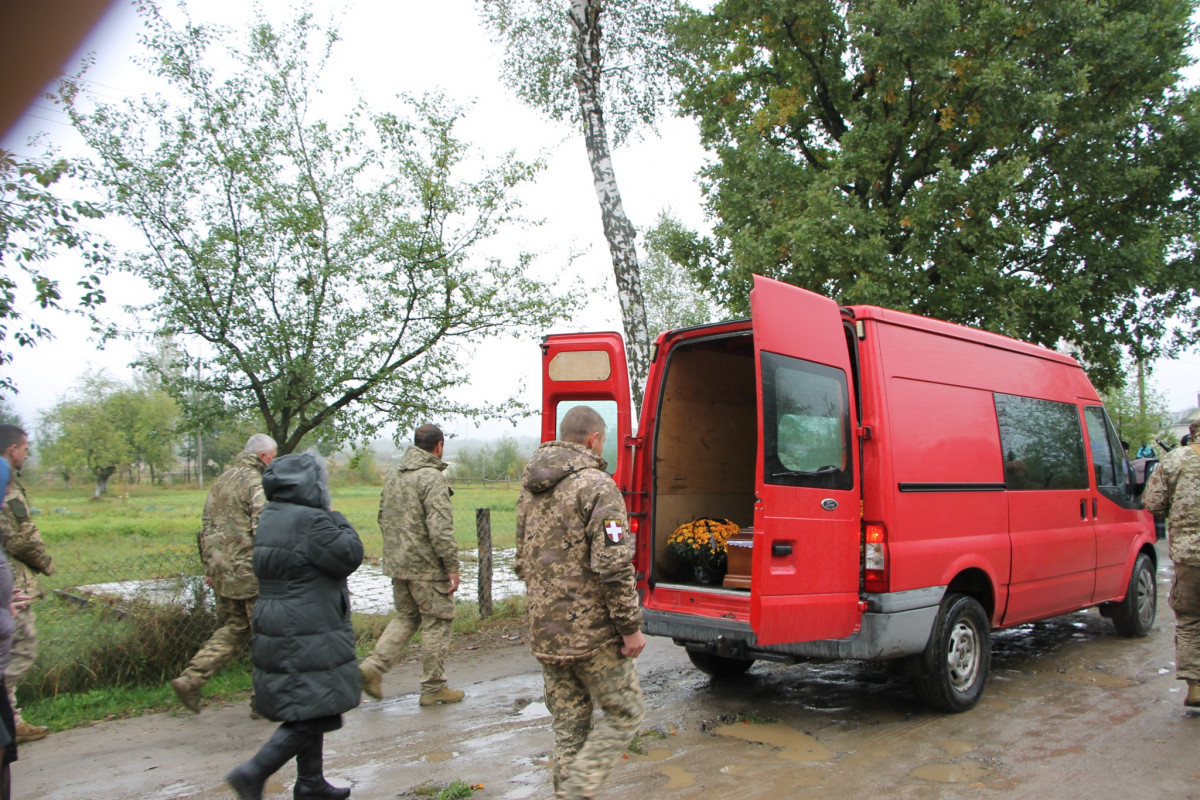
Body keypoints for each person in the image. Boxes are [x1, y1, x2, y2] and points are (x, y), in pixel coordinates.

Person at [515, 405, 646, 800]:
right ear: (594, 439)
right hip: (592, 637)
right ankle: (578, 789)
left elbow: (522, 561)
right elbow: (614, 565)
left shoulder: (530, 488)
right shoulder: (598, 486)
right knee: (626, 713)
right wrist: (630, 628)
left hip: (547, 632)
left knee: (569, 726)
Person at [226, 452, 363, 800]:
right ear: (312, 485)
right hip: (307, 624)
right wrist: (339, 519)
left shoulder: (272, 515)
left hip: (279, 620)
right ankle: (253, 772)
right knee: (314, 713)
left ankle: (310, 782)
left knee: (310, 702)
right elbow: (349, 555)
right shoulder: (313, 522)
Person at [359, 424, 464, 706]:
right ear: (439, 446)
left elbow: (382, 516)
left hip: (398, 562)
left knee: (406, 616)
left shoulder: (394, 475)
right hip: (427, 566)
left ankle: (373, 667)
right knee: (437, 621)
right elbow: (440, 528)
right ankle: (433, 687)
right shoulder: (432, 478)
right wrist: (451, 565)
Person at [171, 434, 277, 714]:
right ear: (265, 456)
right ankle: (263, 701)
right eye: (273, 456)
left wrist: (209, 567)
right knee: (266, 635)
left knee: (234, 628)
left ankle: (191, 679)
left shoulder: (220, 482)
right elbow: (264, 526)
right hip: (250, 573)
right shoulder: (256, 482)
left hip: (221, 571)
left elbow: (205, 528)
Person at [0, 424, 55, 743]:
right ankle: (9, 718)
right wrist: (46, 563)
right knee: (21, 647)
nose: (26, 454)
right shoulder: (7, 486)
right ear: (11, 450)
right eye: (24, 448)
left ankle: (12, 718)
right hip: (13, 583)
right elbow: (20, 538)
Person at [1144, 417, 1200, 707]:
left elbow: (1153, 504)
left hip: (1190, 556)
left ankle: (1197, 687)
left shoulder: (1174, 460)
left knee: (1191, 620)